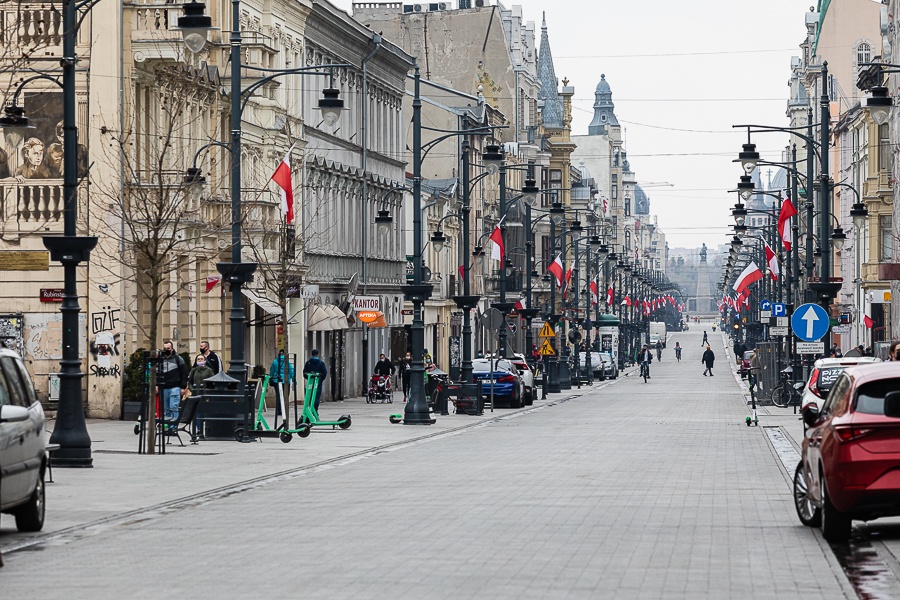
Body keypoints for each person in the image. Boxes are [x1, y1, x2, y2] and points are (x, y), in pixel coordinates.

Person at [156, 341, 188, 423]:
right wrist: (156, 385)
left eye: (168, 348)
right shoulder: (159, 360)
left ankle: (173, 427)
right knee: (166, 409)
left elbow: (184, 374)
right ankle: (167, 427)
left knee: (173, 407)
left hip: (175, 387)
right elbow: (156, 374)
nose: (166, 350)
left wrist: (183, 387)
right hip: (163, 388)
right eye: (165, 348)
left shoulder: (178, 359)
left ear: (172, 349)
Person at [269, 349, 295, 417]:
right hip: (286, 381)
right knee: (285, 396)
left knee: (278, 396)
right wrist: (293, 379)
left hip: (276, 381)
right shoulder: (287, 362)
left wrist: (271, 377)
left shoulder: (275, 362)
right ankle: (284, 410)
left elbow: (271, 371)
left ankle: (278, 410)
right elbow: (291, 370)